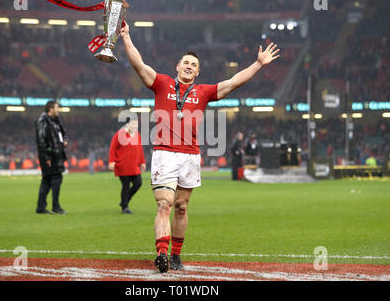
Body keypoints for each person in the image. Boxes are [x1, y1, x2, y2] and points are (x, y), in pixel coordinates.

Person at [120, 22, 280, 272]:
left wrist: (258, 64)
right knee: (165, 203)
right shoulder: (162, 83)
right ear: (177, 66)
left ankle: (175, 256)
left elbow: (234, 82)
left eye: (193, 65)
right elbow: (139, 64)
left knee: (181, 207)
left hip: (190, 156)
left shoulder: (204, 92)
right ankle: (161, 252)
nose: (189, 66)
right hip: (164, 153)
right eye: (185, 62)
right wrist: (127, 37)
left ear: (197, 73)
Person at [35, 101, 68, 215]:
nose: (58, 110)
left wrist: (64, 141)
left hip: (57, 154)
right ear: (50, 109)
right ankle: (56, 206)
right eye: (57, 108)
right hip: (50, 156)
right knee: (56, 179)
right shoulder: (43, 121)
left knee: (47, 181)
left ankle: (41, 207)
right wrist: (47, 157)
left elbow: (62, 134)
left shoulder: (55, 121)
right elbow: (41, 140)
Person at [109, 117, 146, 214]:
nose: (135, 126)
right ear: (127, 124)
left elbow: (139, 149)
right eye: (133, 124)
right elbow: (113, 148)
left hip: (134, 166)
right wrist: (111, 162)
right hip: (122, 165)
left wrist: (142, 162)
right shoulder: (120, 134)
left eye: (136, 124)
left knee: (138, 183)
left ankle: (124, 202)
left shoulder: (137, 134)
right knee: (126, 185)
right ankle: (124, 207)